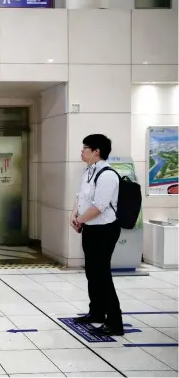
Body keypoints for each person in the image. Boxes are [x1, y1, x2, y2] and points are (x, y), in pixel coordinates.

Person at [70, 134, 123, 336]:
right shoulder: (89, 171)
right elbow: (80, 197)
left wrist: (80, 219)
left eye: (85, 148)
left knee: (102, 275)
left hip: (105, 229)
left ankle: (115, 322)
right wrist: (73, 215)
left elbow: (99, 206)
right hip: (90, 228)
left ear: (96, 151)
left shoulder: (108, 175)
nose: (82, 152)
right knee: (92, 272)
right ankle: (97, 312)